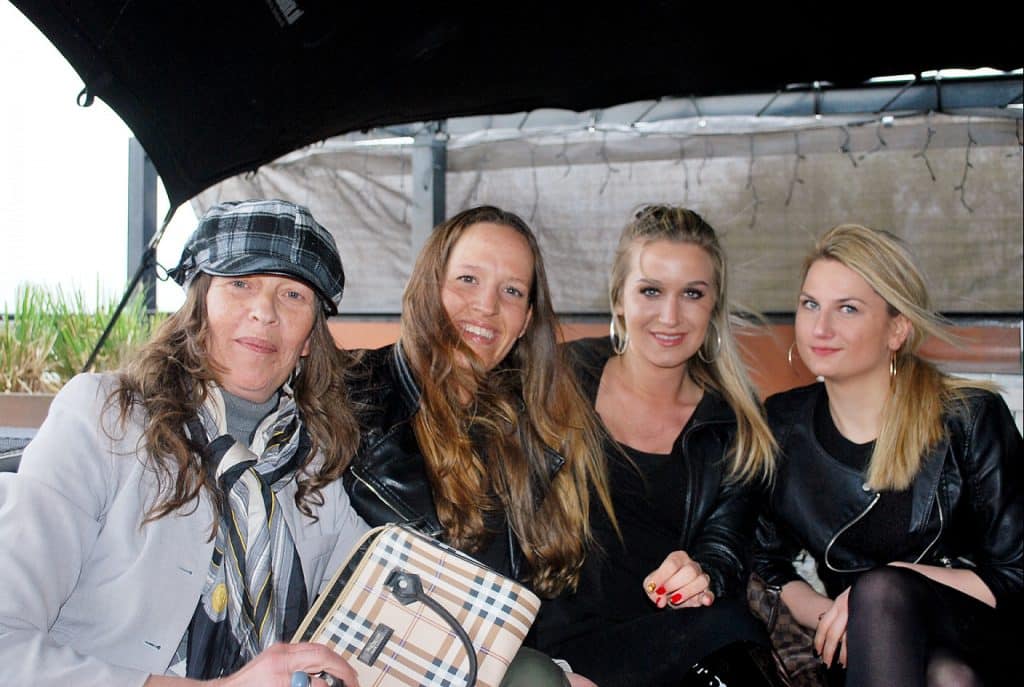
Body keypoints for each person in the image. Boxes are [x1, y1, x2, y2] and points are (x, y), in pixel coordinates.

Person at [0, 199, 368, 686]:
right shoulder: (105, 419)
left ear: (308, 340)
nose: (264, 312)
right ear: (199, 306)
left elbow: (375, 604)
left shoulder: (314, 463)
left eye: (293, 294)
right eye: (241, 283)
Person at [343, 205, 616, 687]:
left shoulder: (539, 429)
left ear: (526, 319)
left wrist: (565, 671)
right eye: (468, 279)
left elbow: (557, 605)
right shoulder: (350, 398)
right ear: (430, 285)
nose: (487, 306)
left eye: (512, 291)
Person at [751, 224, 1023, 687]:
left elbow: (1015, 575)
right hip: (868, 651)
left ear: (897, 329)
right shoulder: (782, 425)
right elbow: (765, 563)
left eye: (848, 309)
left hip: (988, 635)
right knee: (945, 677)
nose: (820, 327)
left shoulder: (969, 417)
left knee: (888, 597)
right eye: (810, 304)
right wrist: (833, 615)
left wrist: (893, 582)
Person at [531, 205, 785, 687]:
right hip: (554, 646)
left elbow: (724, 552)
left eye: (692, 293)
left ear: (713, 306)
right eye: (651, 291)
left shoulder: (734, 425)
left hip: (673, 642)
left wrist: (699, 575)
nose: (670, 316)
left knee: (730, 633)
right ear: (619, 299)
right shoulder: (553, 381)